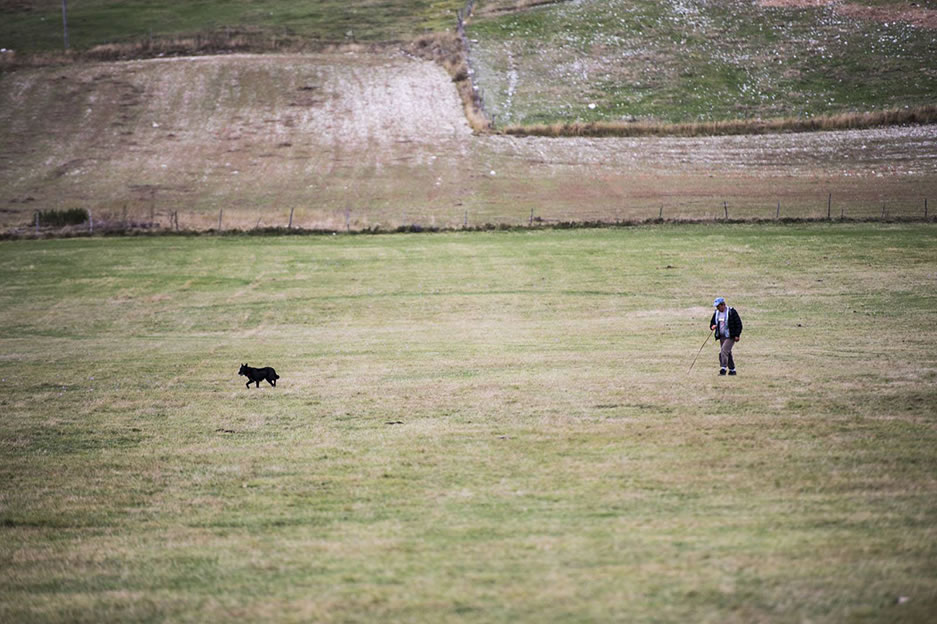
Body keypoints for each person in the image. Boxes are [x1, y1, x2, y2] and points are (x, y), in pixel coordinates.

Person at [709, 297, 742, 375]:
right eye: (716, 307)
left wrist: (737, 335)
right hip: (721, 336)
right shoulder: (716, 313)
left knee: (723, 351)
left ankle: (723, 368)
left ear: (723, 305)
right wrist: (712, 327)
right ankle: (732, 370)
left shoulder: (731, 312)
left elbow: (739, 324)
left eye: (718, 306)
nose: (717, 308)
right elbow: (712, 323)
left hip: (730, 336)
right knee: (727, 352)